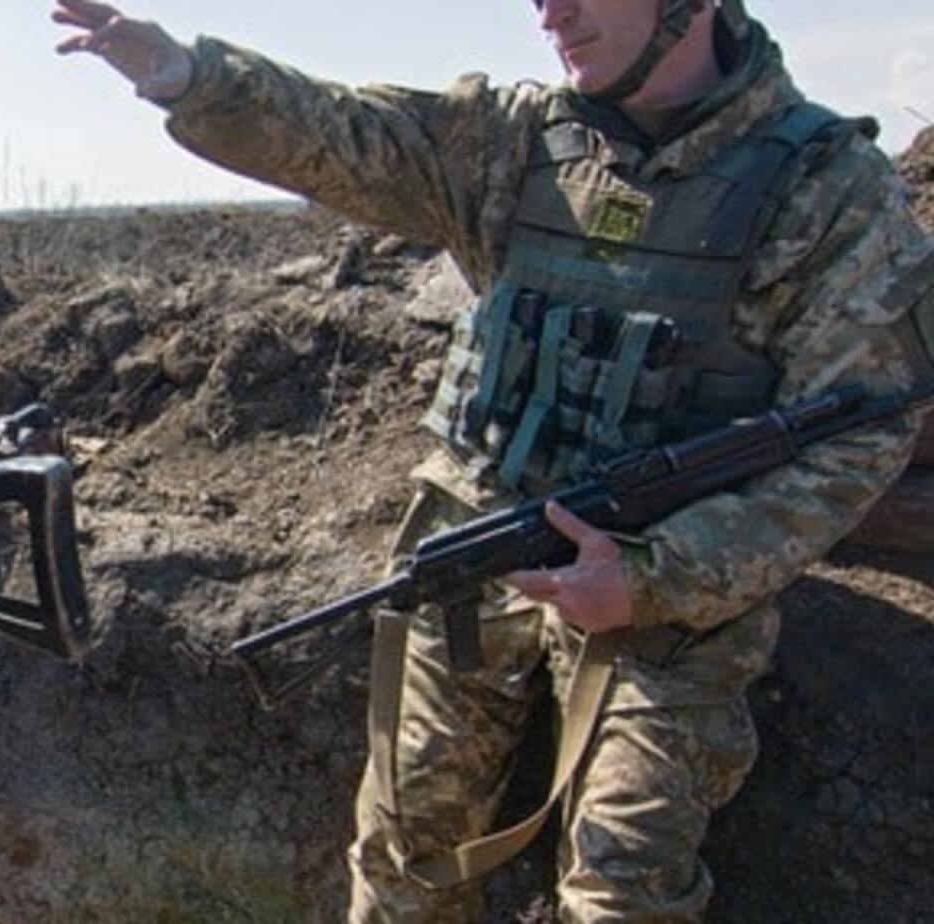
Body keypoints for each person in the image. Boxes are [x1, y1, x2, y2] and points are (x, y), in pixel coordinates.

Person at [57, 0, 932, 919]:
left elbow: (858, 433)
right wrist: (185, 74)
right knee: (405, 863)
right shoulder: (514, 140)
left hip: (669, 600)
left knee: (622, 891)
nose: (551, 10)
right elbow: (348, 134)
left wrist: (657, 575)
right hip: (478, 549)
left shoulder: (826, 186)